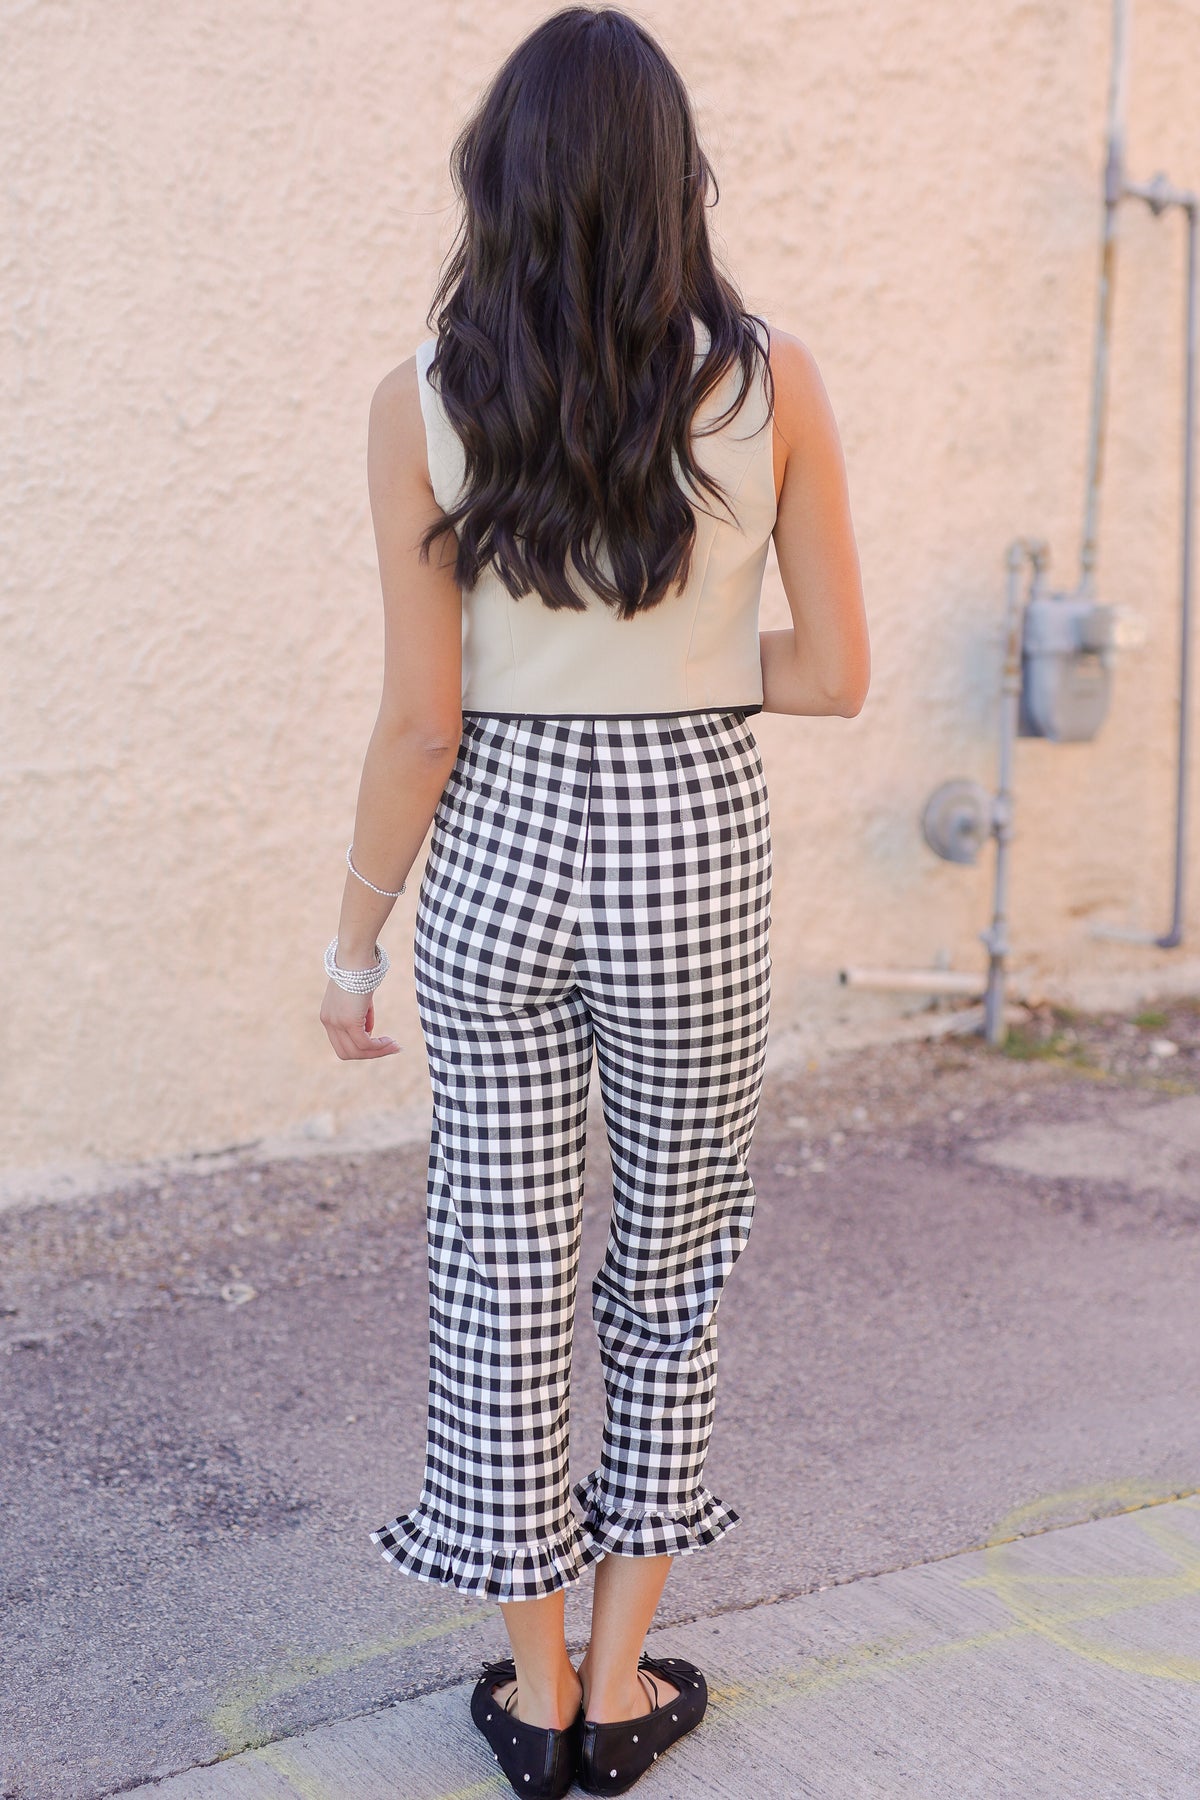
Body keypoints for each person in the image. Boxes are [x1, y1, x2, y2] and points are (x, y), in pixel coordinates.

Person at [320, 7, 869, 1794]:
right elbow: (837, 672)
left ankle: (537, 1699)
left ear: (504, 180)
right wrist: (687, 665)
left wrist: (352, 943)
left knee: (500, 1269)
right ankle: (627, 1688)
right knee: (673, 1262)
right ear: (672, 179)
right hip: (690, 848)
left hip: (494, 852)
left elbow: (423, 721)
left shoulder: (422, 400)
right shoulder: (774, 379)